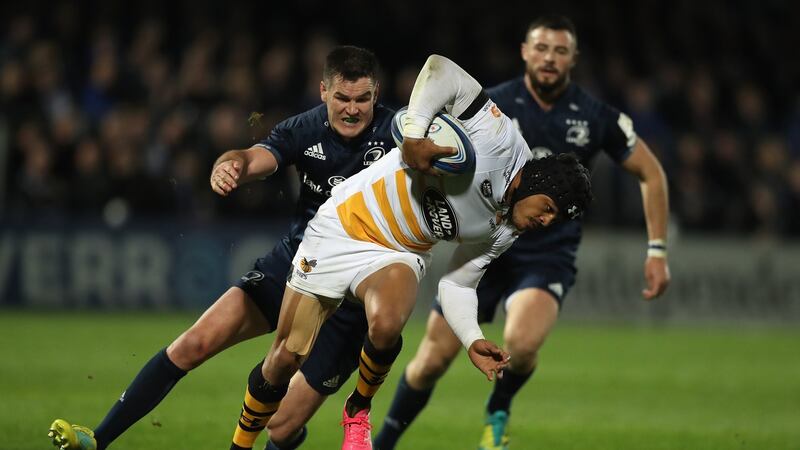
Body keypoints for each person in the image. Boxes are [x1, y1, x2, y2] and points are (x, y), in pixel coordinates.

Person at [234, 53, 593, 450]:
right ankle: (240, 445)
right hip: (340, 228)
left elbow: (457, 284)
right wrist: (415, 137)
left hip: (400, 251)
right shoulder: (499, 140)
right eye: (548, 209)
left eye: (554, 221)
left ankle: (358, 410)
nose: (545, 222)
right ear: (538, 183)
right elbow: (441, 69)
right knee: (285, 358)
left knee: (387, 321)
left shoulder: (508, 228)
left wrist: (472, 338)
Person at [48, 45, 393, 450]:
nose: (352, 110)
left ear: (376, 94)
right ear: (323, 91)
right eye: (342, 98)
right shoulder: (304, 128)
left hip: (353, 295)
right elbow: (254, 157)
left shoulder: (397, 133)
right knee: (194, 342)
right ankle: (97, 440)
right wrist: (230, 165)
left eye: (362, 99)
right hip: (299, 262)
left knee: (280, 427)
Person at [373, 15, 671, 450]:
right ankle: (383, 442)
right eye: (542, 48)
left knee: (523, 342)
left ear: (574, 59)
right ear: (525, 52)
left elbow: (651, 173)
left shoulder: (596, 115)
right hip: (485, 244)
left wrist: (657, 249)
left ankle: (498, 408)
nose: (550, 58)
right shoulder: (494, 105)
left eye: (560, 51)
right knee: (430, 361)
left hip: (547, 252)